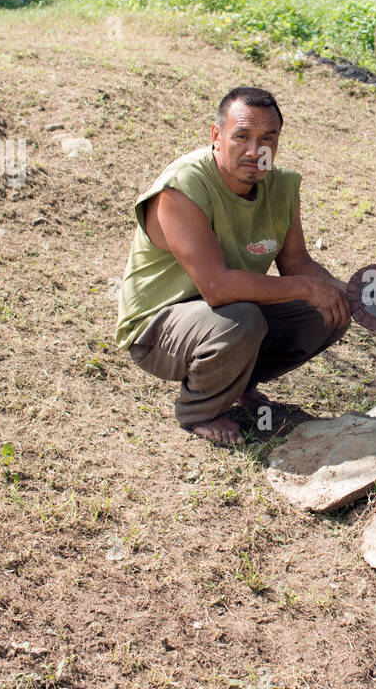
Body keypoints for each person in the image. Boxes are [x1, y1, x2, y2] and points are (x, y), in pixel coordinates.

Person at [114, 86, 351, 444]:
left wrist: (347, 294)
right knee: (243, 319)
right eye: (242, 136)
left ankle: (238, 384)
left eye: (267, 138)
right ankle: (200, 411)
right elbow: (217, 287)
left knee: (328, 310)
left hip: (227, 314)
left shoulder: (281, 186)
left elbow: (297, 263)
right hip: (158, 328)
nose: (256, 151)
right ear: (216, 135)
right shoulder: (181, 187)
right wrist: (308, 287)